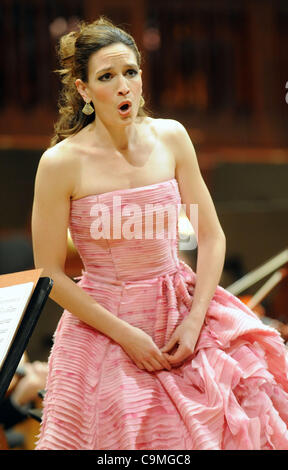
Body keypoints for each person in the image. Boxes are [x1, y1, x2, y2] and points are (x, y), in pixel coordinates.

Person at [31, 16, 288, 450]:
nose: (123, 86)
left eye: (130, 72)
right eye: (107, 77)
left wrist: (193, 322)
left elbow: (211, 237)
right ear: (83, 90)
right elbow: (51, 273)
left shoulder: (171, 136)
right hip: (105, 325)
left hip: (182, 309)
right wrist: (127, 335)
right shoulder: (60, 163)